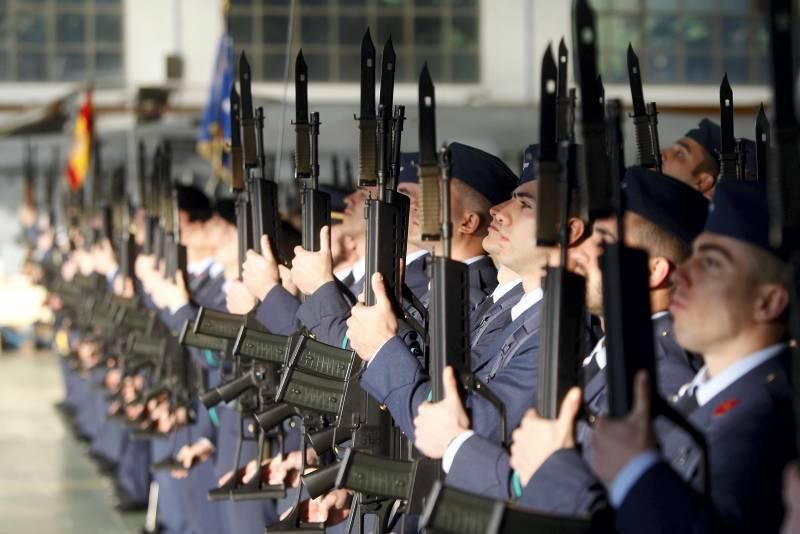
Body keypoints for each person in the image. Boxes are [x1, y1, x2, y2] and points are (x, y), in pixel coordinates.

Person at [589, 179, 795, 534]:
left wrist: (635, 472)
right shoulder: (710, 396)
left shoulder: (765, 418)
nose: (682, 274)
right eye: (696, 255)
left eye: (712, 262)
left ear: (769, 302)